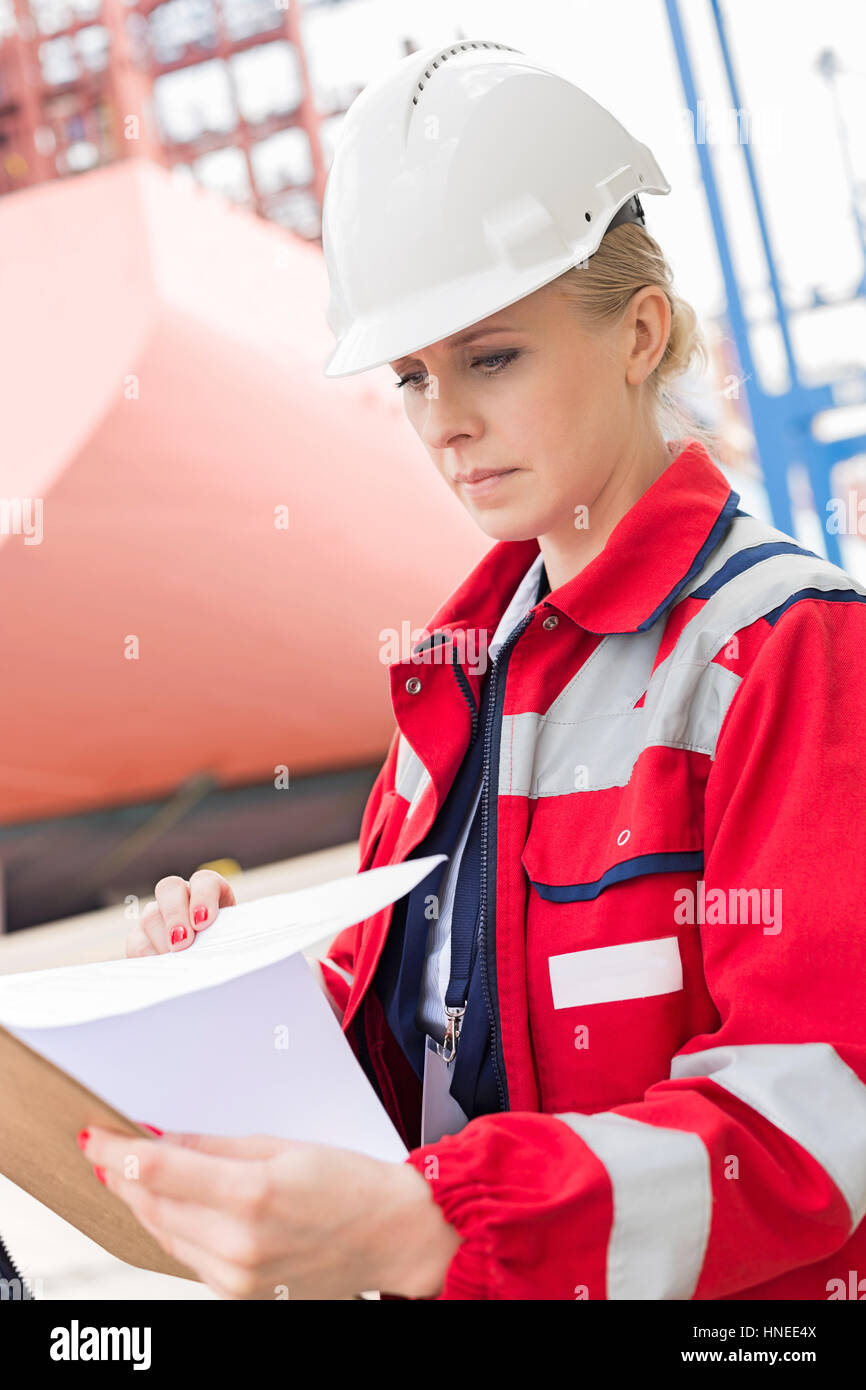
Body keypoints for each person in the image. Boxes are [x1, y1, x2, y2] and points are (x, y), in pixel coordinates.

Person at [83, 39, 866, 1301]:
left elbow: (816, 1118)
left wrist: (436, 1224)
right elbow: (406, 1070)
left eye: (488, 356)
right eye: (410, 375)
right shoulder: (453, 686)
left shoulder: (786, 649)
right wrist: (235, 1007)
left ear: (638, 333)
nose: (442, 416)